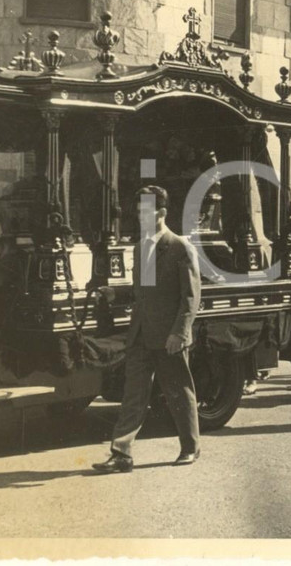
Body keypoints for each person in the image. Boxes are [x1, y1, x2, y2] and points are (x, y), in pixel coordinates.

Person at [93, 185, 202, 474]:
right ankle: (121, 454)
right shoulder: (142, 247)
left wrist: (179, 333)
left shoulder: (180, 247)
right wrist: (117, 293)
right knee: (133, 396)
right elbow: (146, 291)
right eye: (138, 210)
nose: (140, 216)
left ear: (162, 213)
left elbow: (191, 297)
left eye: (146, 211)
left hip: (169, 337)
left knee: (178, 392)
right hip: (141, 335)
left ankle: (190, 448)